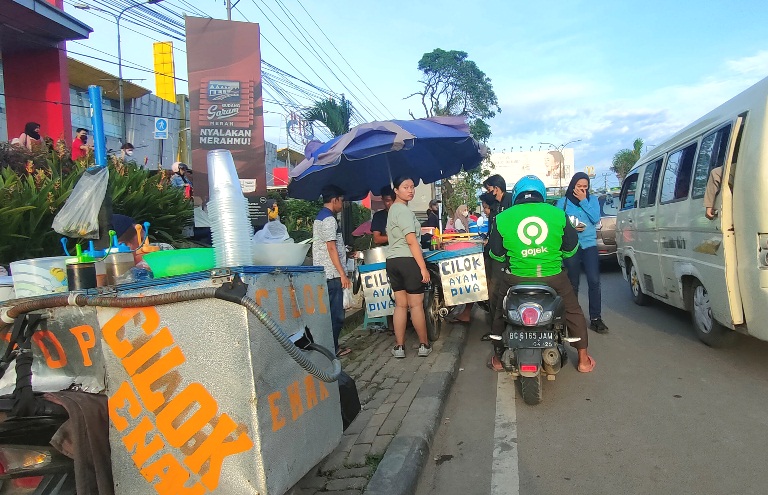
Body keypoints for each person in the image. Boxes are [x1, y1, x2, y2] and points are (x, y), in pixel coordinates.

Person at [490, 175, 595, 372]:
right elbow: (571, 249)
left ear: (517, 195)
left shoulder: (502, 217)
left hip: (516, 278)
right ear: (542, 194)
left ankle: (497, 358)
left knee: (499, 309)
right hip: (553, 278)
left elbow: (496, 254)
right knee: (573, 311)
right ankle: (583, 359)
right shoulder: (557, 214)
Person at [386, 176, 432, 358]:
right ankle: (424, 345)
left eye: (412, 187)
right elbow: (411, 241)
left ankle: (399, 347)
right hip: (408, 260)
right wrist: (423, 268)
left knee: (400, 305)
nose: (410, 190)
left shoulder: (393, 210)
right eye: (405, 187)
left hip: (393, 261)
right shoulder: (403, 211)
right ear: (396, 190)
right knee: (416, 306)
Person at [557, 172, 608, 334]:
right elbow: (558, 223)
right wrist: (571, 228)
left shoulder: (591, 200)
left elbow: (595, 219)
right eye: (579, 187)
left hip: (589, 245)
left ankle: (595, 318)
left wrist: (583, 201)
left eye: (585, 187)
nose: (582, 189)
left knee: (594, 281)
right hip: (571, 246)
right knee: (573, 284)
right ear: (573, 185)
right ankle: (572, 318)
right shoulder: (562, 202)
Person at [313, 185, 352, 357]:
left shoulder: (320, 217)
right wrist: (342, 273)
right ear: (335, 200)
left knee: (330, 313)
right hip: (332, 274)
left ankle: (331, 346)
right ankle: (332, 349)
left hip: (326, 272)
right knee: (336, 315)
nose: (342, 205)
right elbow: (331, 248)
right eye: (341, 201)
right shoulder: (328, 219)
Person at [483, 174, 514, 324]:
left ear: (496, 188)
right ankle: (495, 328)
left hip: (507, 255)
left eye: (489, 189)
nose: (489, 193)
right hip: (494, 253)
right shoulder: (495, 205)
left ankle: (504, 325)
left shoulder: (510, 201)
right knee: (492, 290)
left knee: (500, 290)